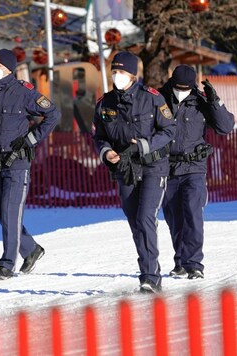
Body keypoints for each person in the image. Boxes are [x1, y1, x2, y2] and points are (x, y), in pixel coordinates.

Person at [92, 51, 176, 293]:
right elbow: (98, 136)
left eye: (122, 72)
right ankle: (148, 268)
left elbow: (168, 130)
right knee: (135, 222)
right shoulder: (104, 103)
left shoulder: (152, 98)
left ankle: (150, 276)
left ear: (133, 75)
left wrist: (144, 145)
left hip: (153, 166)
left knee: (145, 218)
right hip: (125, 169)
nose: (117, 76)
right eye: (114, 72)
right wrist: (106, 152)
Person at [0, 49, 60, 279]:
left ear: (9, 69)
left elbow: (53, 114)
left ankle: (7, 264)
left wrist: (30, 140)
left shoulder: (23, 92)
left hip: (17, 162)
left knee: (10, 211)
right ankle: (31, 249)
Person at [158, 65, 235, 280]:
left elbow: (225, 126)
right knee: (174, 217)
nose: (181, 91)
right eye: (178, 87)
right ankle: (181, 261)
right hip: (167, 167)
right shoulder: (159, 98)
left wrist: (215, 101)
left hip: (194, 168)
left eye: (185, 88)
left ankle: (194, 264)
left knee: (192, 214)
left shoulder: (201, 101)